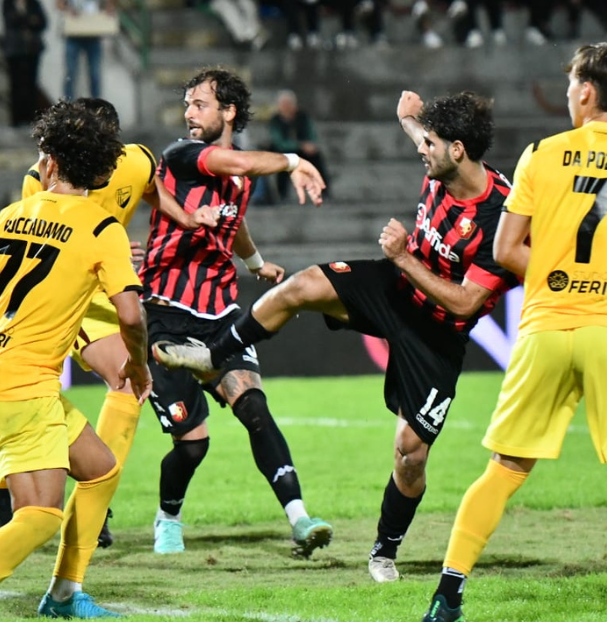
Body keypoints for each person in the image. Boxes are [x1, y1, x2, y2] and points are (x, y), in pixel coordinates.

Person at [154, 90, 517, 584]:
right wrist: (408, 115)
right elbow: (415, 126)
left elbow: (466, 303)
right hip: (395, 290)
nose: (420, 149)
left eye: (429, 143)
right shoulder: (442, 155)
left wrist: (402, 256)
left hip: (437, 332)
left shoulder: (500, 215)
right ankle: (215, 356)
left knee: (410, 455)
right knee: (301, 286)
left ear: (457, 150)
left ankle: (384, 552)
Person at [420, 43, 607, 622]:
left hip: (546, 329)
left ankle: (447, 596)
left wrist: (560, 281)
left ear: (587, 92)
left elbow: (506, 249)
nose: (570, 91)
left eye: (573, 82)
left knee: (505, 468)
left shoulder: (540, 153)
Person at [0, 100, 151, 622]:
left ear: (52, 163)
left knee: (99, 470)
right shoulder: (102, 228)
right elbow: (130, 314)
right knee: (39, 515)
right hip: (23, 390)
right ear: (101, 172)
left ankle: (62, 593)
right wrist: (139, 365)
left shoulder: (10, 215)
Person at [0, 98, 218, 546]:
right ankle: (7, 490)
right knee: (33, 393)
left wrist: (187, 218)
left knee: (126, 385)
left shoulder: (137, 160)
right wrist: (108, 248)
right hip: (61, 294)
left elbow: (150, 188)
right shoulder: (40, 178)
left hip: (103, 295)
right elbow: (38, 240)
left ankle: (95, 499)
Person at [138, 67, 330, 558]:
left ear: (228, 111)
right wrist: (293, 161)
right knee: (193, 444)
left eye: (199, 104)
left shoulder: (238, 177)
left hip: (220, 314)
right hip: (167, 312)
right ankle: (168, 518)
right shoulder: (182, 155)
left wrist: (256, 263)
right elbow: (239, 163)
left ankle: (300, 520)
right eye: (187, 104)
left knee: (256, 410)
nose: (188, 112)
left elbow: (234, 221)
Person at [57, 0, 115, 101]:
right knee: (70, 72)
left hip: (92, 31)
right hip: (74, 31)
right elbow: (59, 1)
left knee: (95, 73)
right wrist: (68, 8)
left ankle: (96, 106)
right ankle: (67, 105)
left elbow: (108, 0)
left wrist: (108, 8)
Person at [257, 90, 329, 205]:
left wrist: (310, 145)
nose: (286, 107)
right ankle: (282, 194)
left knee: (316, 157)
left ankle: (324, 190)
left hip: (303, 150)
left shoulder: (303, 118)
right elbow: (279, 142)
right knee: (284, 161)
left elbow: (312, 134)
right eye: (283, 104)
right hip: (284, 150)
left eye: (289, 104)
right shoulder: (275, 121)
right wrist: (299, 145)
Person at [0, 0, 47, 127]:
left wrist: (24, 20)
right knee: (16, 84)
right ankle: (16, 119)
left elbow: (42, 22)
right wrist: (29, 20)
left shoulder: (33, 2)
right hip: (14, 49)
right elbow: (10, 21)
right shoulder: (7, 2)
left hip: (32, 49)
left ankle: (30, 118)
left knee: (31, 85)